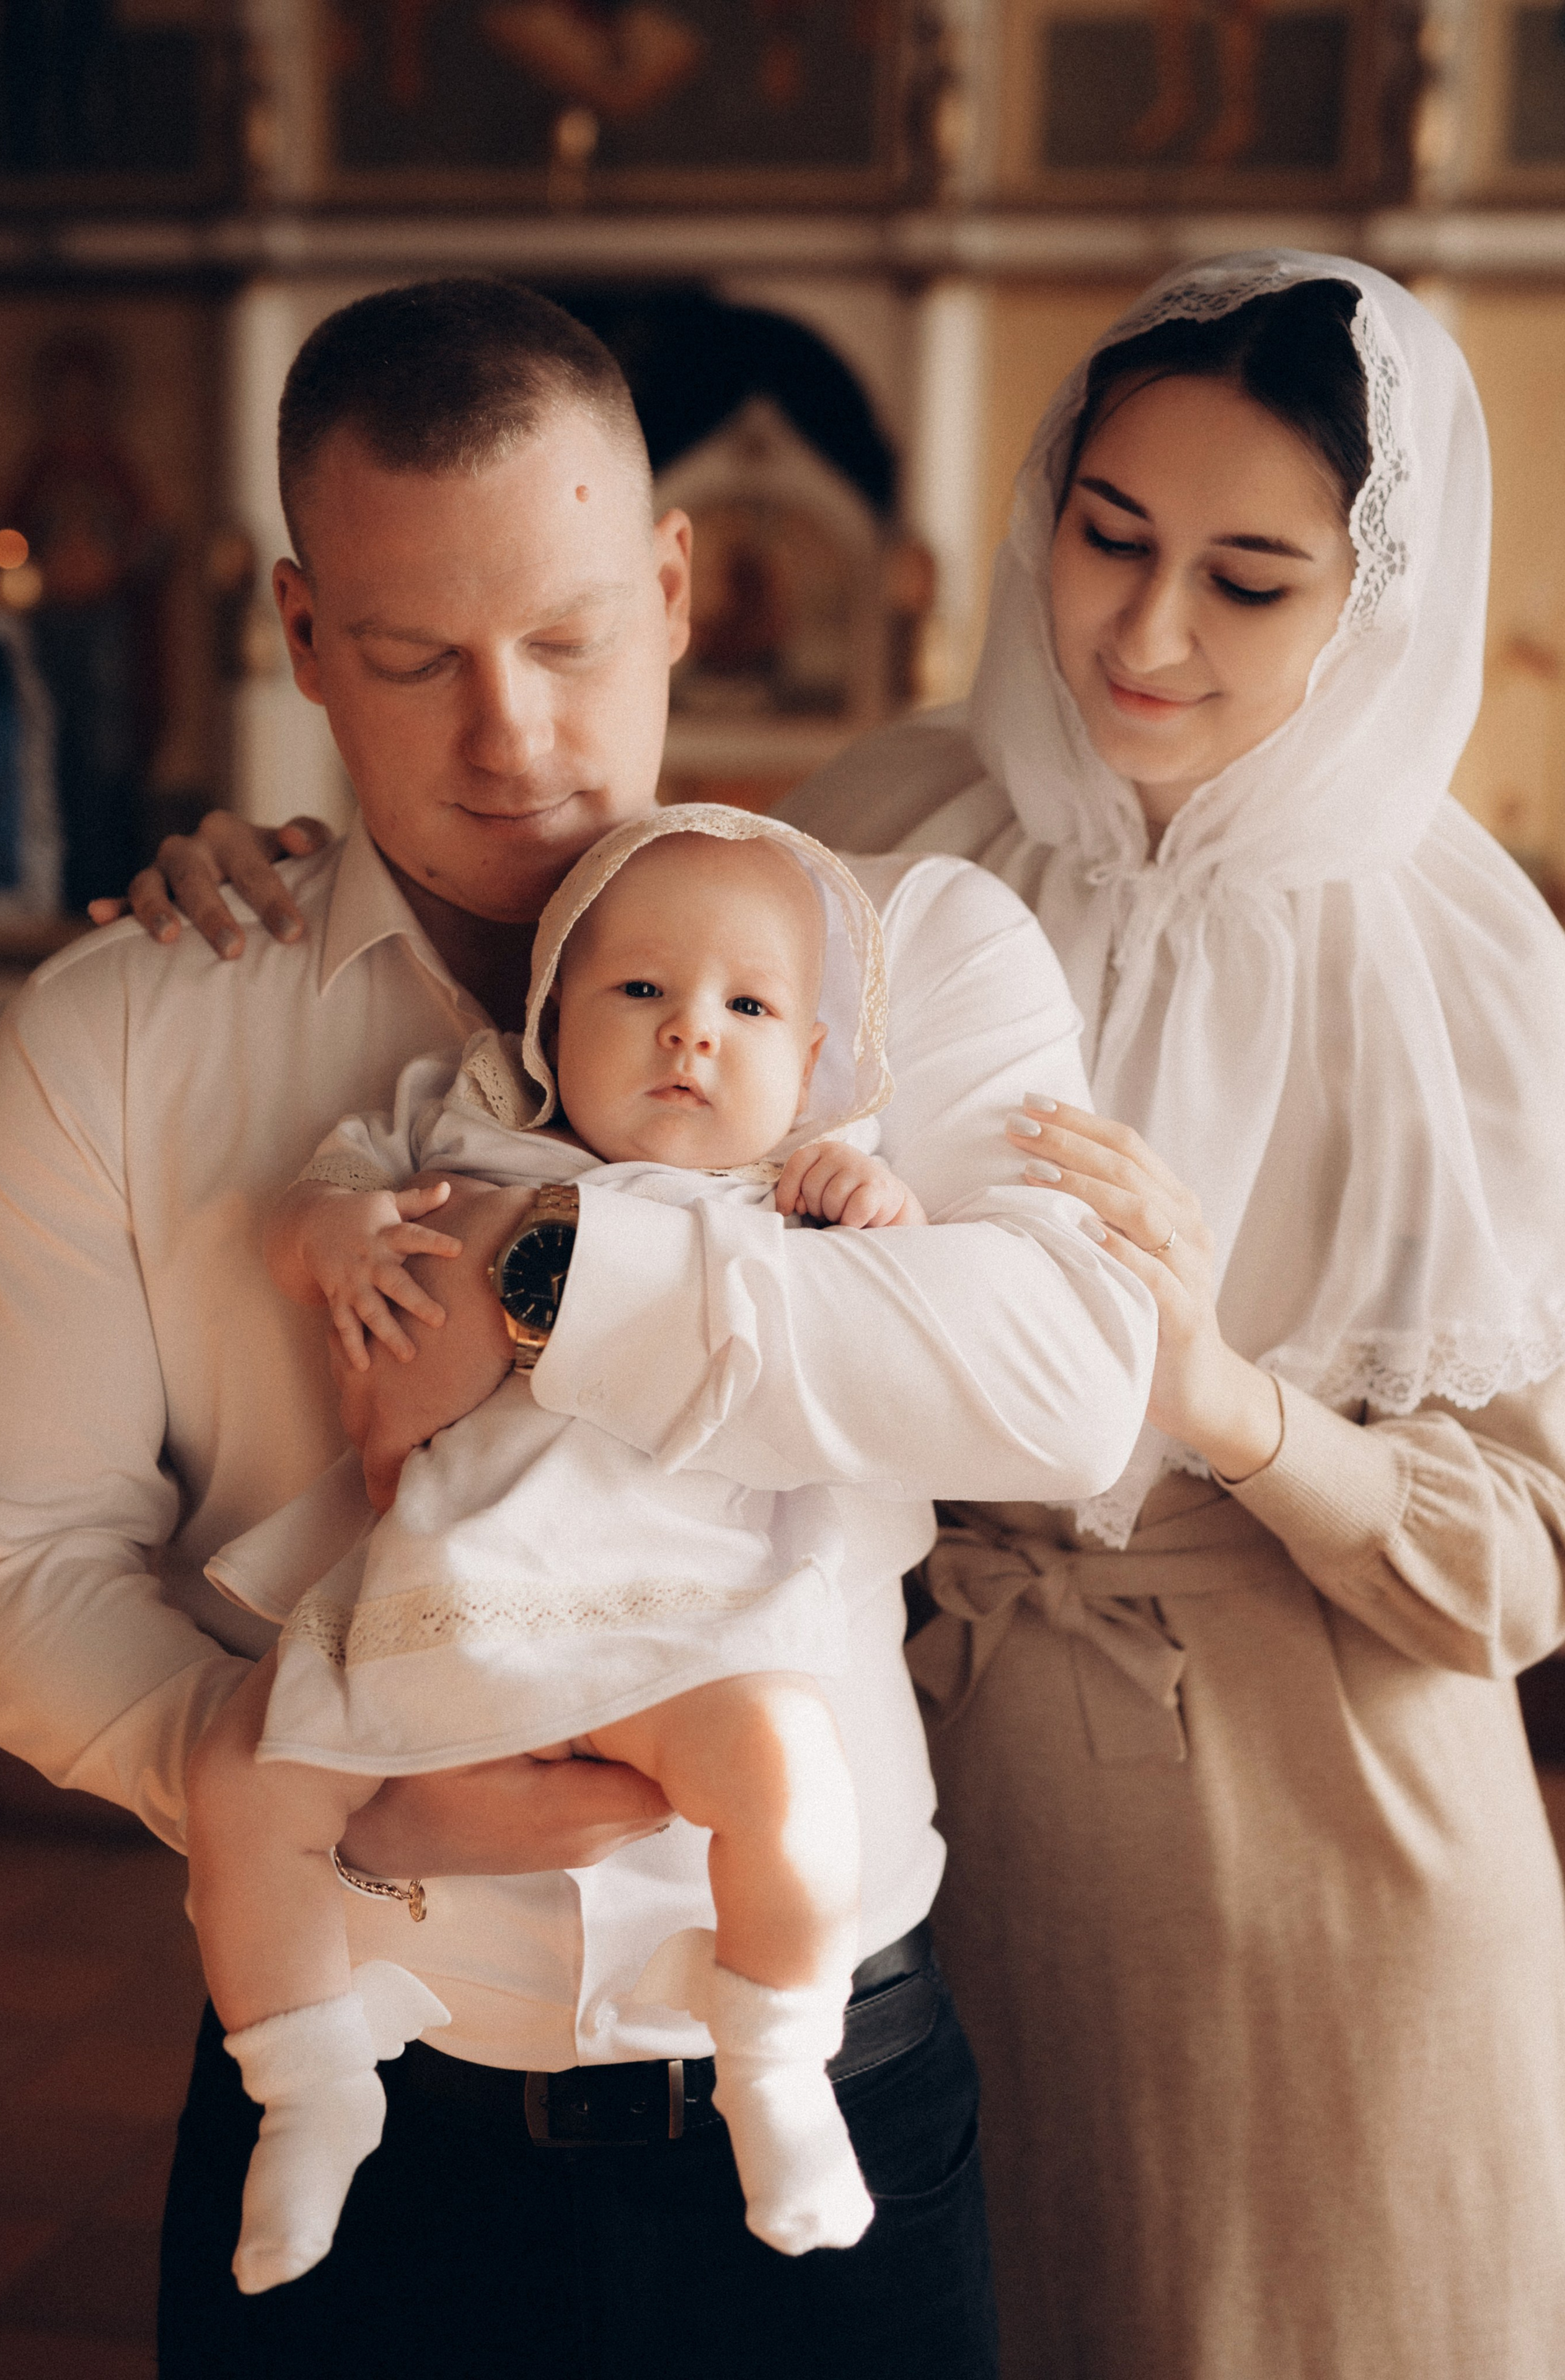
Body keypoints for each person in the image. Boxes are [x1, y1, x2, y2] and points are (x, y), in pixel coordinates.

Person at [0, 277, 1155, 2379]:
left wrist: (550, 1278)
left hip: (829, 2095)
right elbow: (13, 1557)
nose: (509, 737)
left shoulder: (912, 966)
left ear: (681, 586)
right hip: (352, 2098)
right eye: (417, 656)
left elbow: (1061, 1396)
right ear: (300, 633)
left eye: (570, 638)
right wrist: (317, 1786)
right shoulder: (123, 1036)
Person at [780, 253, 1565, 2379]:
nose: (1143, 633)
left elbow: (1518, 1571)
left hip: (1327, 1879)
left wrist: (1226, 1403)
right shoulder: (874, 835)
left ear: (1372, 605)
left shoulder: (1468, 970)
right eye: (1109, 538)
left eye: (1249, 581)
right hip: (909, 1830)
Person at [190, 808, 925, 2291]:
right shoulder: (452, 1125)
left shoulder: (788, 1183)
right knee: (240, 1779)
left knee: (786, 1774)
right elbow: (311, 1208)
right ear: (545, 1016)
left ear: (810, 1061)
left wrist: (875, 1205)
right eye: (639, 992)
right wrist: (327, 1240)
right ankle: (312, 2085)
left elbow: (899, 1329)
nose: (689, 1038)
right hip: (446, 1600)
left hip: (683, 1626)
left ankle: (774, 2060)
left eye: (748, 1006)